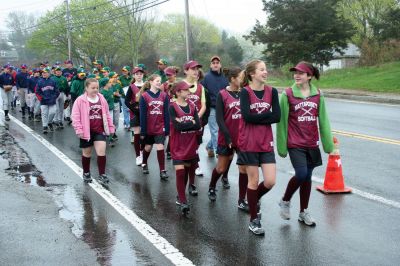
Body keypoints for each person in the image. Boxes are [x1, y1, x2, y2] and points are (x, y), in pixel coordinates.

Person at [277, 61, 334, 226]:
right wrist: (282, 145)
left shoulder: (318, 95)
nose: (296, 75)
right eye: (295, 72)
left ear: (309, 76)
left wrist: (327, 143)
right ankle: (285, 200)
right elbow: (282, 122)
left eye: (301, 73)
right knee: (301, 174)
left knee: (307, 177)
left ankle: (303, 212)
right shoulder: (287, 94)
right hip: (295, 143)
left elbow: (323, 120)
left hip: (312, 142)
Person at [237, 59, 280, 236]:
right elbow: (247, 117)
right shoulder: (245, 92)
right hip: (249, 142)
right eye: (262, 69)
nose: (265, 72)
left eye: (266, 69)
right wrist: (266, 116)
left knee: (270, 181)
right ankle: (254, 219)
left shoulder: (273, 92)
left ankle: (253, 199)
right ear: (252, 74)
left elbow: (276, 116)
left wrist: (259, 116)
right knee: (253, 181)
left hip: (265, 142)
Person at [207, 67, 249, 211]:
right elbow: (219, 119)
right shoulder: (222, 94)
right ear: (232, 79)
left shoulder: (245, 93)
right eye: (241, 77)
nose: (244, 80)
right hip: (227, 137)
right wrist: (228, 137)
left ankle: (241, 200)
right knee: (221, 168)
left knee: (243, 169)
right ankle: (212, 186)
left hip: (243, 138)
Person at [71, 78, 115, 185]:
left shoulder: (101, 98)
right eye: (93, 88)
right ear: (86, 88)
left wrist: (110, 127)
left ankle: (102, 175)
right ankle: (86, 173)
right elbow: (75, 116)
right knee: (87, 153)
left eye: (97, 88)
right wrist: (79, 129)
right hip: (86, 131)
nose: (95, 90)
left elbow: (107, 114)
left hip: (99, 130)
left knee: (101, 152)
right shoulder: (80, 100)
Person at [169, 81, 201, 215]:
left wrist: (185, 122)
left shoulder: (192, 106)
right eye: (186, 90)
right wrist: (191, 122)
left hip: (190, 144)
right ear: (178, 92)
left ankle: (180, 195)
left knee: (187, 172)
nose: (189, 92)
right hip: (177, 145)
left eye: (189, 89)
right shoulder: (172, 107)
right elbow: (177, 127)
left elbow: (198, 125)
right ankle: (183, 201)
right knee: (180, 172)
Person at [139, 74, 170, 179]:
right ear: (151, 82)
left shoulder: (164, 96)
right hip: (149, 127)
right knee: (148, 147)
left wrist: (167, 128)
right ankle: (144, 162)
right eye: (157, 81)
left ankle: (162, 170)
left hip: (160, 127)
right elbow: (142, 115)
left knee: (160, 146)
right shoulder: (144, 96)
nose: (159, 83)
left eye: (160, 81)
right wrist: (143, 131)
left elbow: (166, 113)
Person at [182, 60, 206, 193]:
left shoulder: (201, 87)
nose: (196, 71)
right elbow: (175, 104)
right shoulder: (180, 86)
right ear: (186, 71)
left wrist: (195, 120)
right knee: (185, 158)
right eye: (192, 68)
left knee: (194, 154)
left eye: (197, 68)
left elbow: (204, 106)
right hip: (183, 126)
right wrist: (186, 120)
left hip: (196, 125)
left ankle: (192, 184)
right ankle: (182, 187)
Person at [201, 56, 229, 158]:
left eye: (217, 62)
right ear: (211, 65)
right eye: (213, 63)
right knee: (215, 130)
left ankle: (209, 146)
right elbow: (201, 92)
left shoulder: (225, 78)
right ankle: (219, 152)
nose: (215, 64)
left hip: (224, 108)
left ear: (220, 64)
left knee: (222, 130)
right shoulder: (206, 78)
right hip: (212, 108)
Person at [125, 66, 145, 165]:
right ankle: (138, 155)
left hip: (145, 113)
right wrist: (135, 109)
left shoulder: (147, 85)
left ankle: (142, 151)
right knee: (137, 133)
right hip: (135, 113)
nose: (139, 76)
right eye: (137, 74)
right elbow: (126, 101)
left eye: (140, 74)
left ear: (143, 75)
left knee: (144, 134)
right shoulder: (131, 86)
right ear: (134, 75)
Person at [35, 67, 60, 134]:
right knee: (44, 114)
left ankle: (49, 122)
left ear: (49, 73)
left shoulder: (53, 81)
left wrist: (54, 97)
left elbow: (57, 91)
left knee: (53, 112)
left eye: (45, 72)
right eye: (43, 72)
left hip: (52, 100)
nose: (44, 74)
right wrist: (41, 98)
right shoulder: (40, 81)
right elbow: (37, 91)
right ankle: (45, 126)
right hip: (43, 101)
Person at [109, 72, 124, 141]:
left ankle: (114, 131)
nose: (115, 78)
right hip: (109, 104)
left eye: (116, 77)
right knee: (110, 119)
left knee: (116, 119)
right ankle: (111, 133)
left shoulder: (118, 85)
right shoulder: (108, 85)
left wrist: (119, 95)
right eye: (114, 77)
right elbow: (103, 92)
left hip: (116, 103)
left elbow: (122, 94)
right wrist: (113, 93)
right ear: (110, 78)